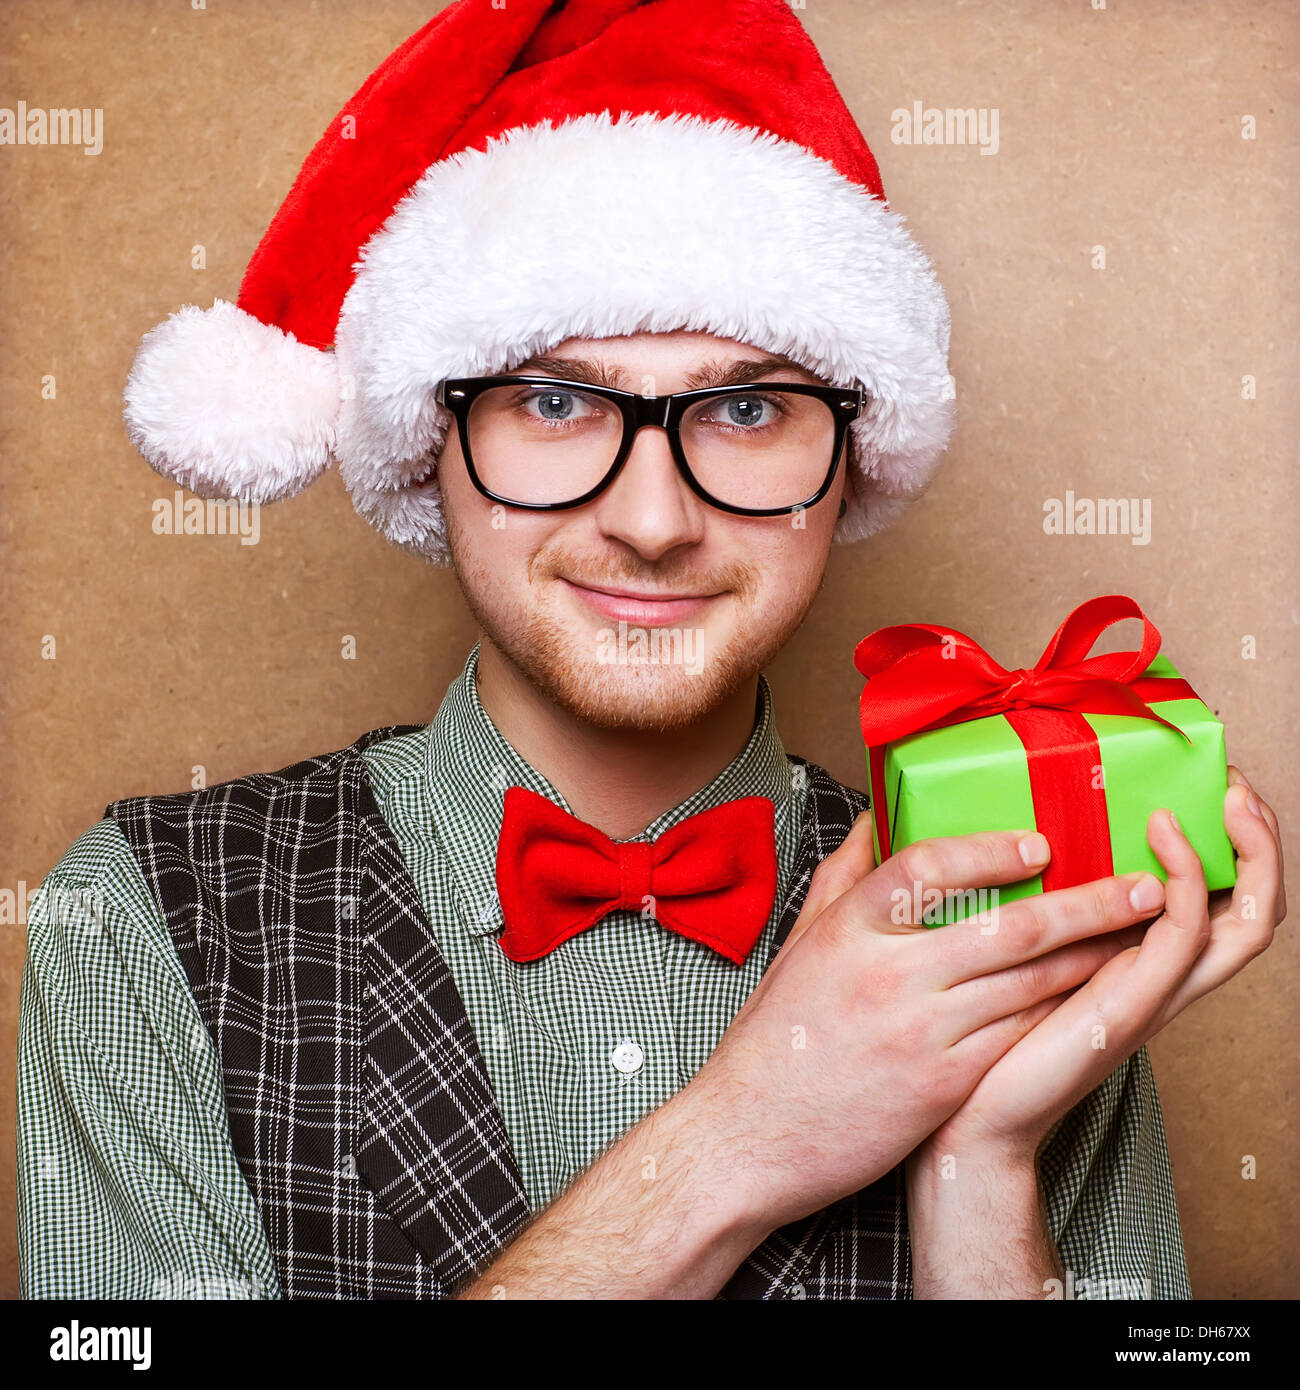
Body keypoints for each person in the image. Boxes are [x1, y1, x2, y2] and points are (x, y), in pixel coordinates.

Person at [18, 0, 1284, 1301]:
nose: (652, 518)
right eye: (556, 400)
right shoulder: (139, 922)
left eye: (745, 407)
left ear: (851, 459)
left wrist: (981, 1173)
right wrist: (746, 1133)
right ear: (428, 441)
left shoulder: (1014, 927)